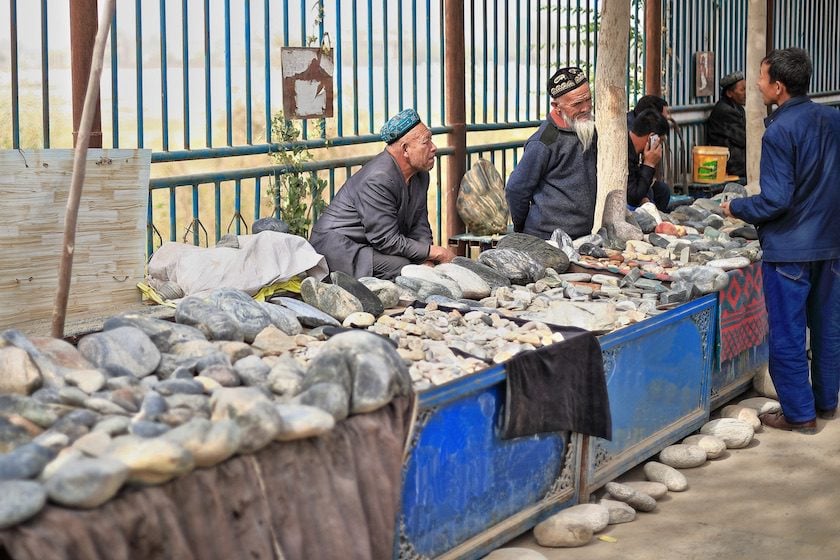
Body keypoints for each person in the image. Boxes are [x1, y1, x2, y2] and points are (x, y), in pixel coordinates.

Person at [721, 48, 840, 434]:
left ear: (778, 86)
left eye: (761, 77)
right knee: (828, 328)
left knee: (788, 334)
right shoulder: (833, 118)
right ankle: (826, 403)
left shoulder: (779, 131)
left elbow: (776, 199)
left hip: (790, 250)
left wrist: (736, 207)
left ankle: (799, 414)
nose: (756, 84)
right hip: (831, 243)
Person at [308, 108, 455, 280]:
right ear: (405, 149)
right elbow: (385, 239)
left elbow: (419, 225)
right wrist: (434, 252)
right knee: (403, 268)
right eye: (426, 142)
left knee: (420, 267)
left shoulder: (420, 174)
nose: (434, 148)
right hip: (340, 249)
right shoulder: (378, 178)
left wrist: (426, 257)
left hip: (370, 245)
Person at [505, 66, 598, 240]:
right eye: (577, 104)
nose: (586, 108)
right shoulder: (543, 142)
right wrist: (522, 227)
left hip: (581, 236)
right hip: (546, 238)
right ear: (557, 107)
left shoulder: (587, 129)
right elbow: (515, 189)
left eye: (588, 100)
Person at [627, 109, 672, 211]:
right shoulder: (624, 152)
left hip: (633, 193)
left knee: (662, 190)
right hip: (622, 202)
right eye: (660, 140)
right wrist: (649, 164)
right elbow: (633, 198)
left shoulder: (635, 150)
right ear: (652, 137)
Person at [707, 70, 747, 177]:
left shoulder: (737, 108)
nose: (746, 93)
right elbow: (743, 139)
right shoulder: (725, 111)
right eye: (742, 90)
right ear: (729, 93)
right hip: (730, 162)